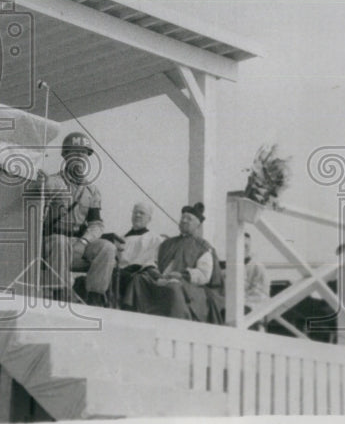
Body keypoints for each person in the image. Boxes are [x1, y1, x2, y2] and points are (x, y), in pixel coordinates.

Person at [41, 131, 116, 305]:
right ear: (65, 155)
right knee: (60, 241)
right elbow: (37, 215)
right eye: (75, 152)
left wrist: (83, 242)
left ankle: (95, 298)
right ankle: (58, 293)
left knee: (107, 248)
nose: (80, 157)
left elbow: (96, 223)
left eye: (84, 153)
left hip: (77, 244)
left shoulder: (92, 190)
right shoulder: (51, 182)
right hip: (51, 243)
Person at [120, 202, 225, 323]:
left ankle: (176, 324)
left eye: (189, 219)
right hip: (160, 278)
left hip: (187, 285)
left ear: (198, 225)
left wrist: (181, 275)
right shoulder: (167, 243)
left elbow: (203, 274)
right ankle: (131, 319)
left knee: (173, 288)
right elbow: (153, 261)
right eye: (183, 218)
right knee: (138, 280)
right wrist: (154, 272)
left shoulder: (203, 247)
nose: (184, 221)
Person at [107, 202, 165, 307]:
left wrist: (134, 268)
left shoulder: (155, 239)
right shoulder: (121, 238)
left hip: (136, 275)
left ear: (149, 218)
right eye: (135, 212)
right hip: (117, 272)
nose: (137, 215)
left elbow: (152, 262)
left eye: (141, 213)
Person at [243, 231, 270, 323]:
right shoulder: (231, 267)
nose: (243, 249)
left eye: (246, 246)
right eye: (241, 246)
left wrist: (241, 301)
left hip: (252, 308)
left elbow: (260, 294)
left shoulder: (257, 267)